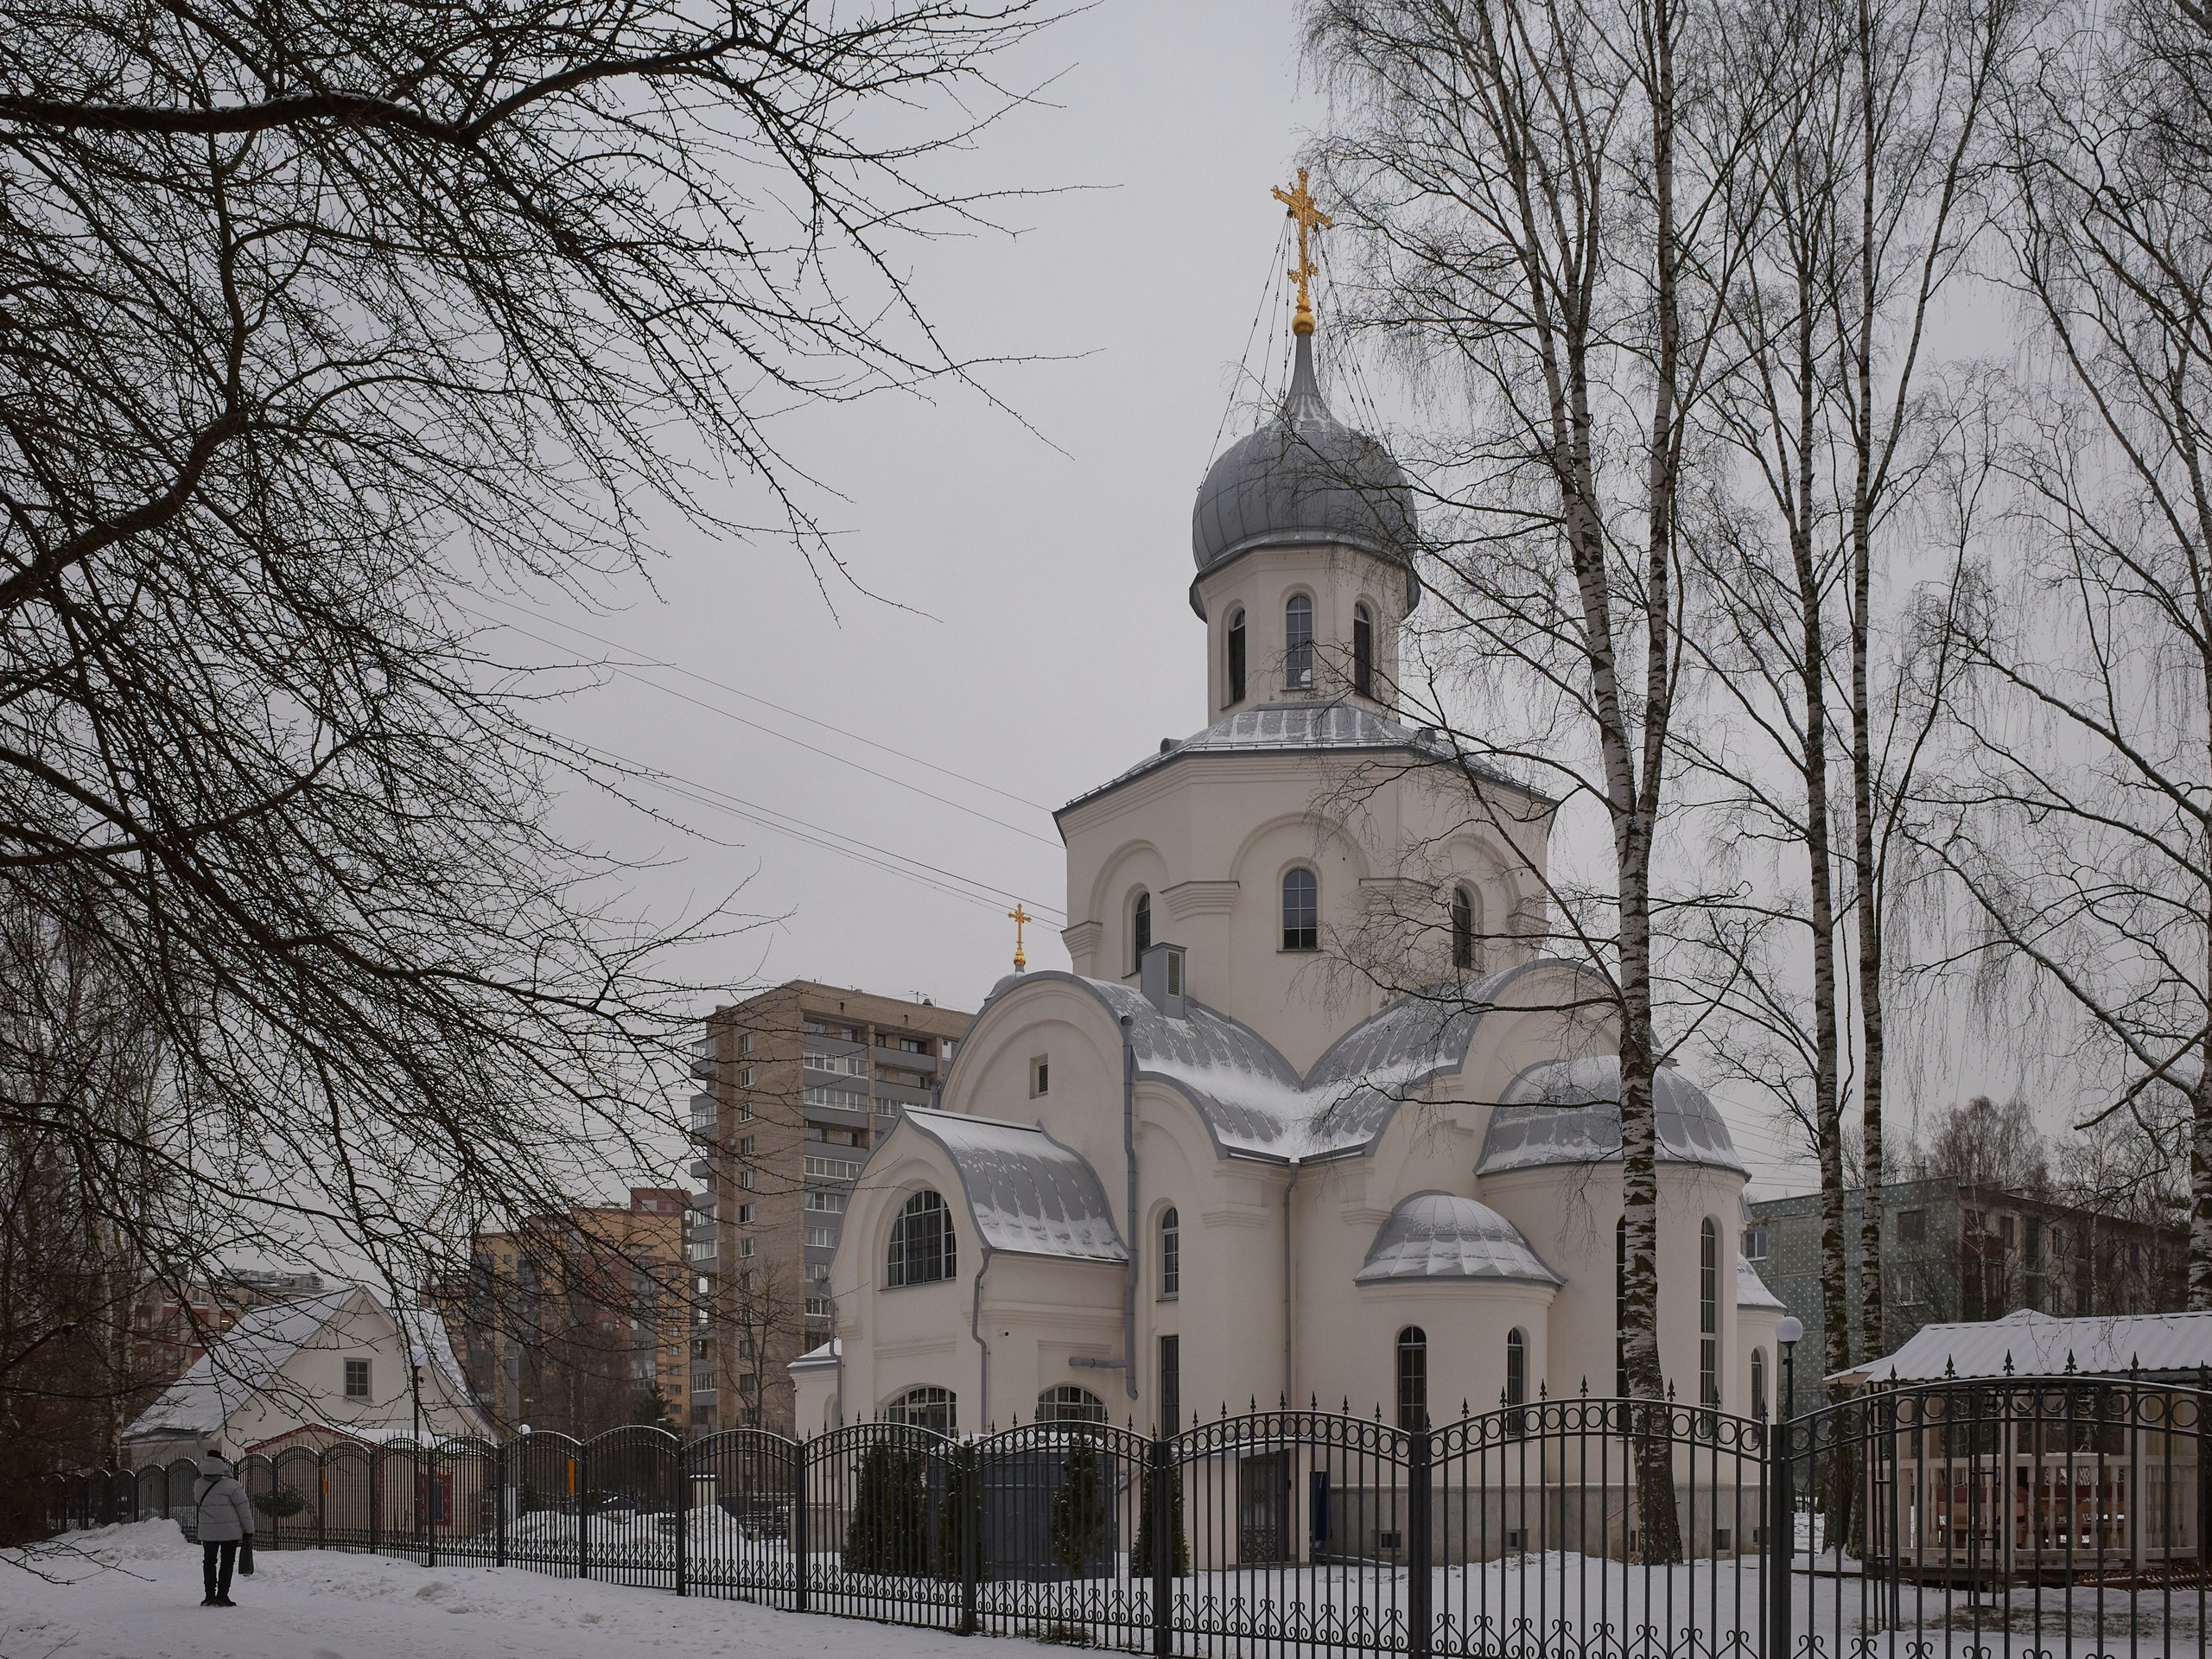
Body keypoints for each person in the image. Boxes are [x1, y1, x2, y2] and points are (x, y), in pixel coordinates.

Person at [190, 1450, 257, 1606]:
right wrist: (249, 1529)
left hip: (207, 1530)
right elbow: (243, 1509)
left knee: (209, 1562)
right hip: (230, 1532)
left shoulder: (198, 1485)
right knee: (227, 1562)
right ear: (222, 1464)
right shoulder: (232, 1485)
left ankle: (209, 1596)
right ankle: (222, 1596)